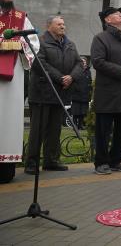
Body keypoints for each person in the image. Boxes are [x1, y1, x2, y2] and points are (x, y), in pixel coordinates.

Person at [25, 15, 82, 174]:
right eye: (59, 24)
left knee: (54, 130)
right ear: (49, 26)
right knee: (37, 131)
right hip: (42, 94)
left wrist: (72, 77)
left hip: (60, 94)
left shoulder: (70, 44)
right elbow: (39, 64)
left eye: (63, 24)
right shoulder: (40, 42)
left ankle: (51, 161)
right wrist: (60, 78)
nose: (63, 27)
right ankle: (31, 163)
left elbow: (79, 63)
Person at [90, 7, 121, 175]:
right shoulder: (100, 38)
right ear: (107, 19)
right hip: (108, 94)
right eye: (116, 13)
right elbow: (98, 62)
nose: (120, 14)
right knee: (103, 131)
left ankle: (116, 160)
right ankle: (101, 162)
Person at [0, 0, 39, 183]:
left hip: (13, 78)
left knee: (9, 120)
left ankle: (5, 170)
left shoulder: (21, 18)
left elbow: (33, 43)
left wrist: (17, 44)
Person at [71, 57, 92, 130]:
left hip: (85, 96)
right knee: (75, 112)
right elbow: (73, 81)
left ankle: (80, 125)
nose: (83, 62)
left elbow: (90, 82)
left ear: (86, 63)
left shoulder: (88, 71)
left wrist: (89, 92)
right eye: (82, 61)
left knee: (83, 113)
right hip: (76, 95)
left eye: (84, 61)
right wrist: (76, 88)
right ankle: (74, 125)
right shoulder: (76, 70)